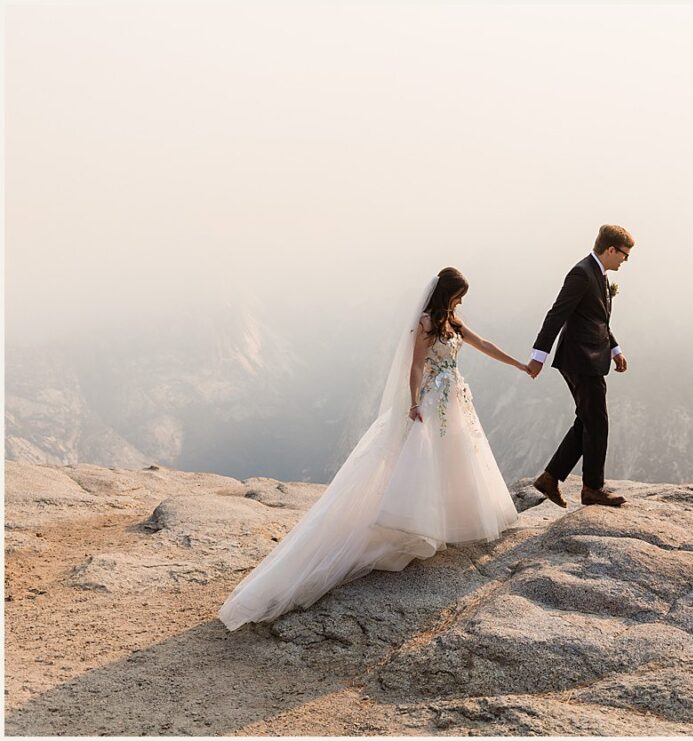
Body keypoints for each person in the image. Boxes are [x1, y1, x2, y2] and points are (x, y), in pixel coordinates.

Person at [219, 267, 524, 630]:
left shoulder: (454, 323)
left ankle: (448, 522)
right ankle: (413, 525)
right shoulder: (426, 323)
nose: (462, 302)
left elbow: (484, 345)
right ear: (447, 293)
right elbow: (414, 366)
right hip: (432, 401)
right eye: (459, 295)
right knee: (424, 463)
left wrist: (520, 364)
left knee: (455, 461)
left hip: (455, 401)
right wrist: (413, 403)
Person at [525, 225, 633, 508]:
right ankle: (593, 488)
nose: (625, 260)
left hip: (591, 356)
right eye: (624, 254)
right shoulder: (582, 273)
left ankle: (550, 478)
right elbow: (557, 313)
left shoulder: (599, 274)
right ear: (610, 249)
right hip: (579, 359)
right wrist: (539, 355)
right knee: (598, 422)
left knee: (586, 419)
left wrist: (615, 349)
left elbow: (598, 319)